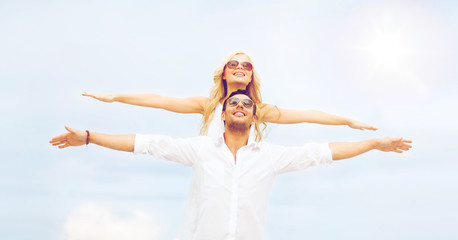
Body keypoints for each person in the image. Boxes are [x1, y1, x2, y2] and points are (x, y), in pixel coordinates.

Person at [50, 90, 412, 240]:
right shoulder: (199, 150)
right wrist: (88, 136)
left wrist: (374, 143)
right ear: (222, 114)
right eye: (233, 104)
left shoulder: (270, 157)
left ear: (255, 117)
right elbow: (144, 144)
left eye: (247, 105)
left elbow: (324, 151)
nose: (240, 106)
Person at [82, 51, 377, 142]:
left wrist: (347, 121)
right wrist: (113, 97)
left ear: (250, 76)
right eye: (233, 64)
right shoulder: (207, 106)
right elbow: (157, 99)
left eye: (246, 65)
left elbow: (311, 115)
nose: (239, 67)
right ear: (224, 73)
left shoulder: (261, 110)